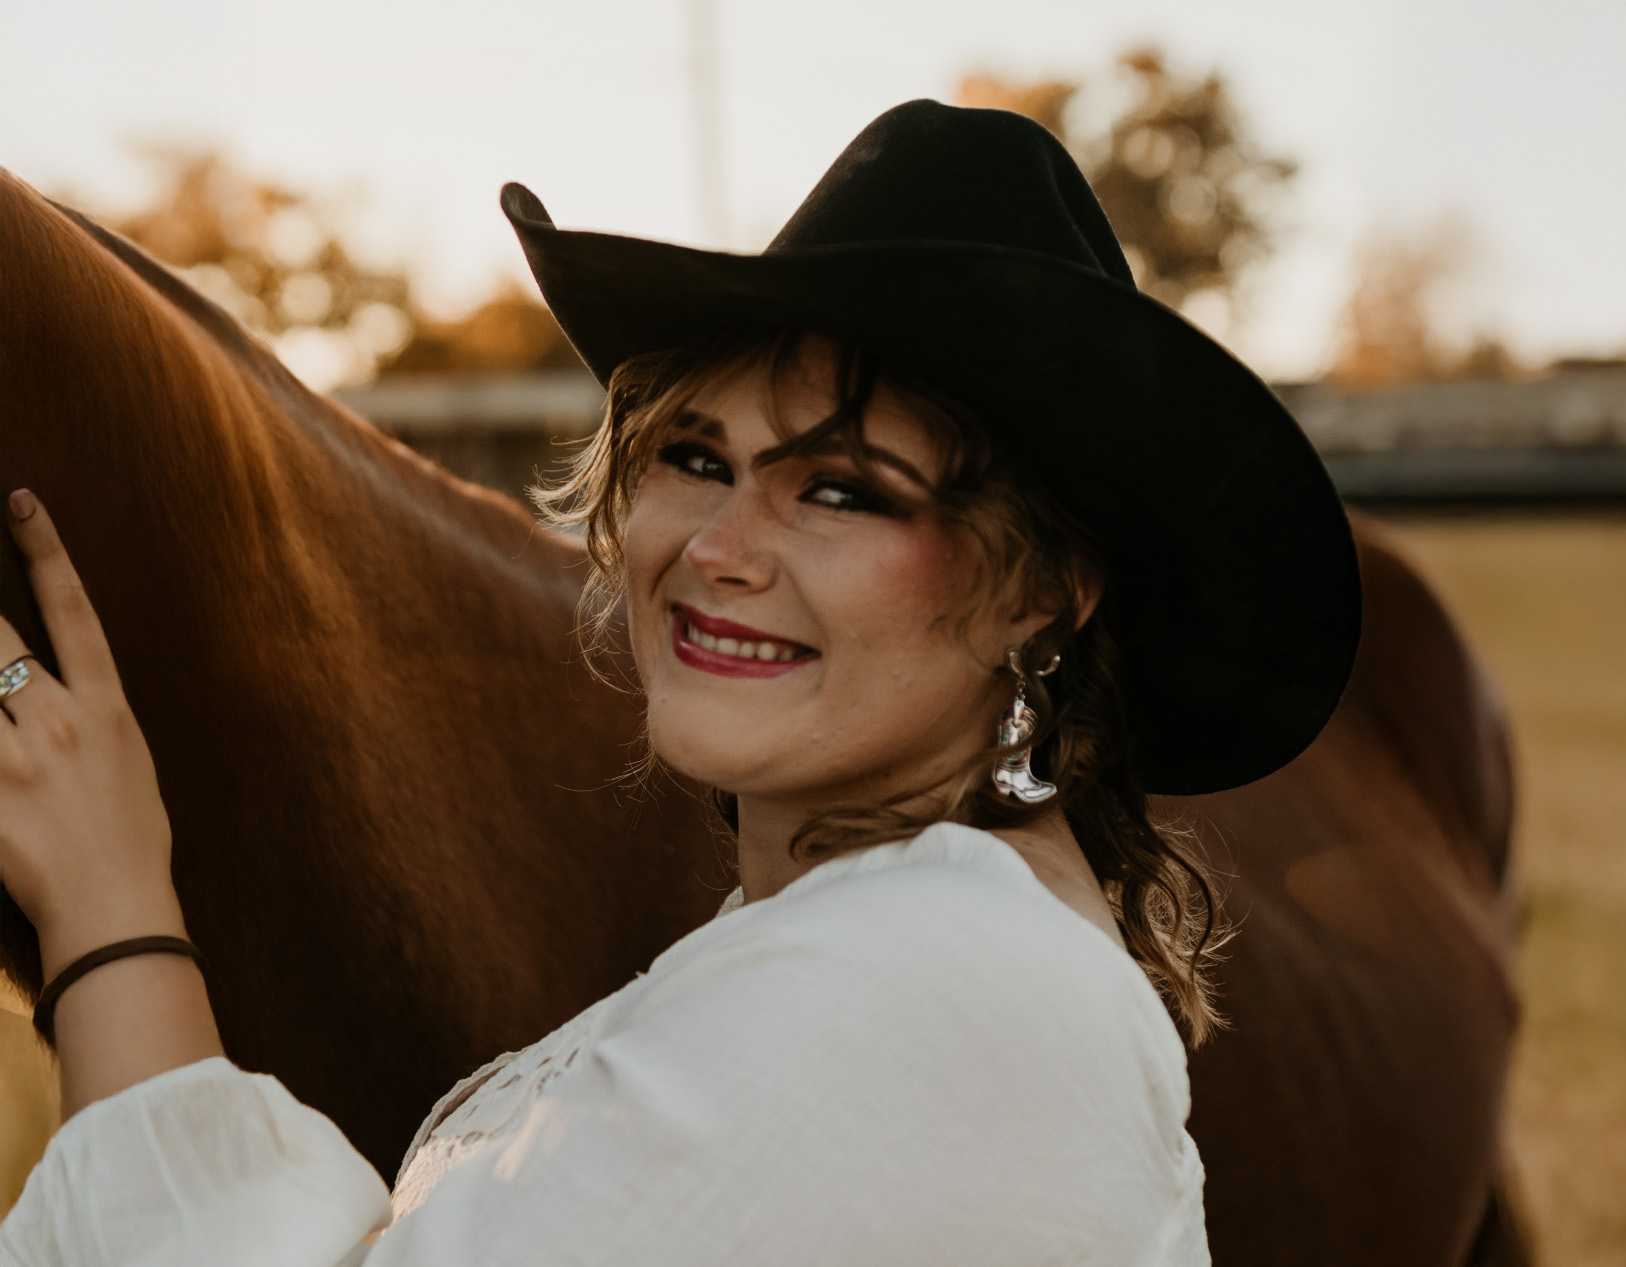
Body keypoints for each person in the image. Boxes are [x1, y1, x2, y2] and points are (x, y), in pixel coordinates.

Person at [0, 100, 1358, 1264]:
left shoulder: (945, 984)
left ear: (1046, 587)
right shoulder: (881, 935)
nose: (717, 549)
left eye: (840, 490)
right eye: (697, 460)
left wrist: (111, 911)